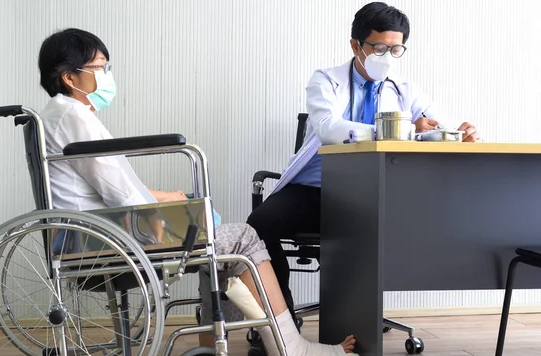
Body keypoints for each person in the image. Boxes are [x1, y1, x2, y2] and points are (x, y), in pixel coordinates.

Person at [37, 28, 357, 356]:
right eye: (99, 68)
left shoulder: (61, 114)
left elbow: (112, 185)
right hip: (107, 238)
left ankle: (232, 338)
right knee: (243, 238)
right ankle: (291, 347)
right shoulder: (74, 116)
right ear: (69, 77)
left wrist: (166, 197)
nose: (106, 76)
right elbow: (122, 196)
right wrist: (163, 207)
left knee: (215, 238)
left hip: (92, 232)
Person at [246, 2, 481, 354]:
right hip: (316, 189)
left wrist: (459, 132)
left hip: (371, 195)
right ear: (356, 45)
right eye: (379, 47)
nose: (388, 55)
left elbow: (438, 128)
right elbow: (329, 129)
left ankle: (360, 315)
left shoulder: (406, 89)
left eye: (396, 48)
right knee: (259, 224)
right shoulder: (325, 80)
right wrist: (395, 130)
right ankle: (282, 318)